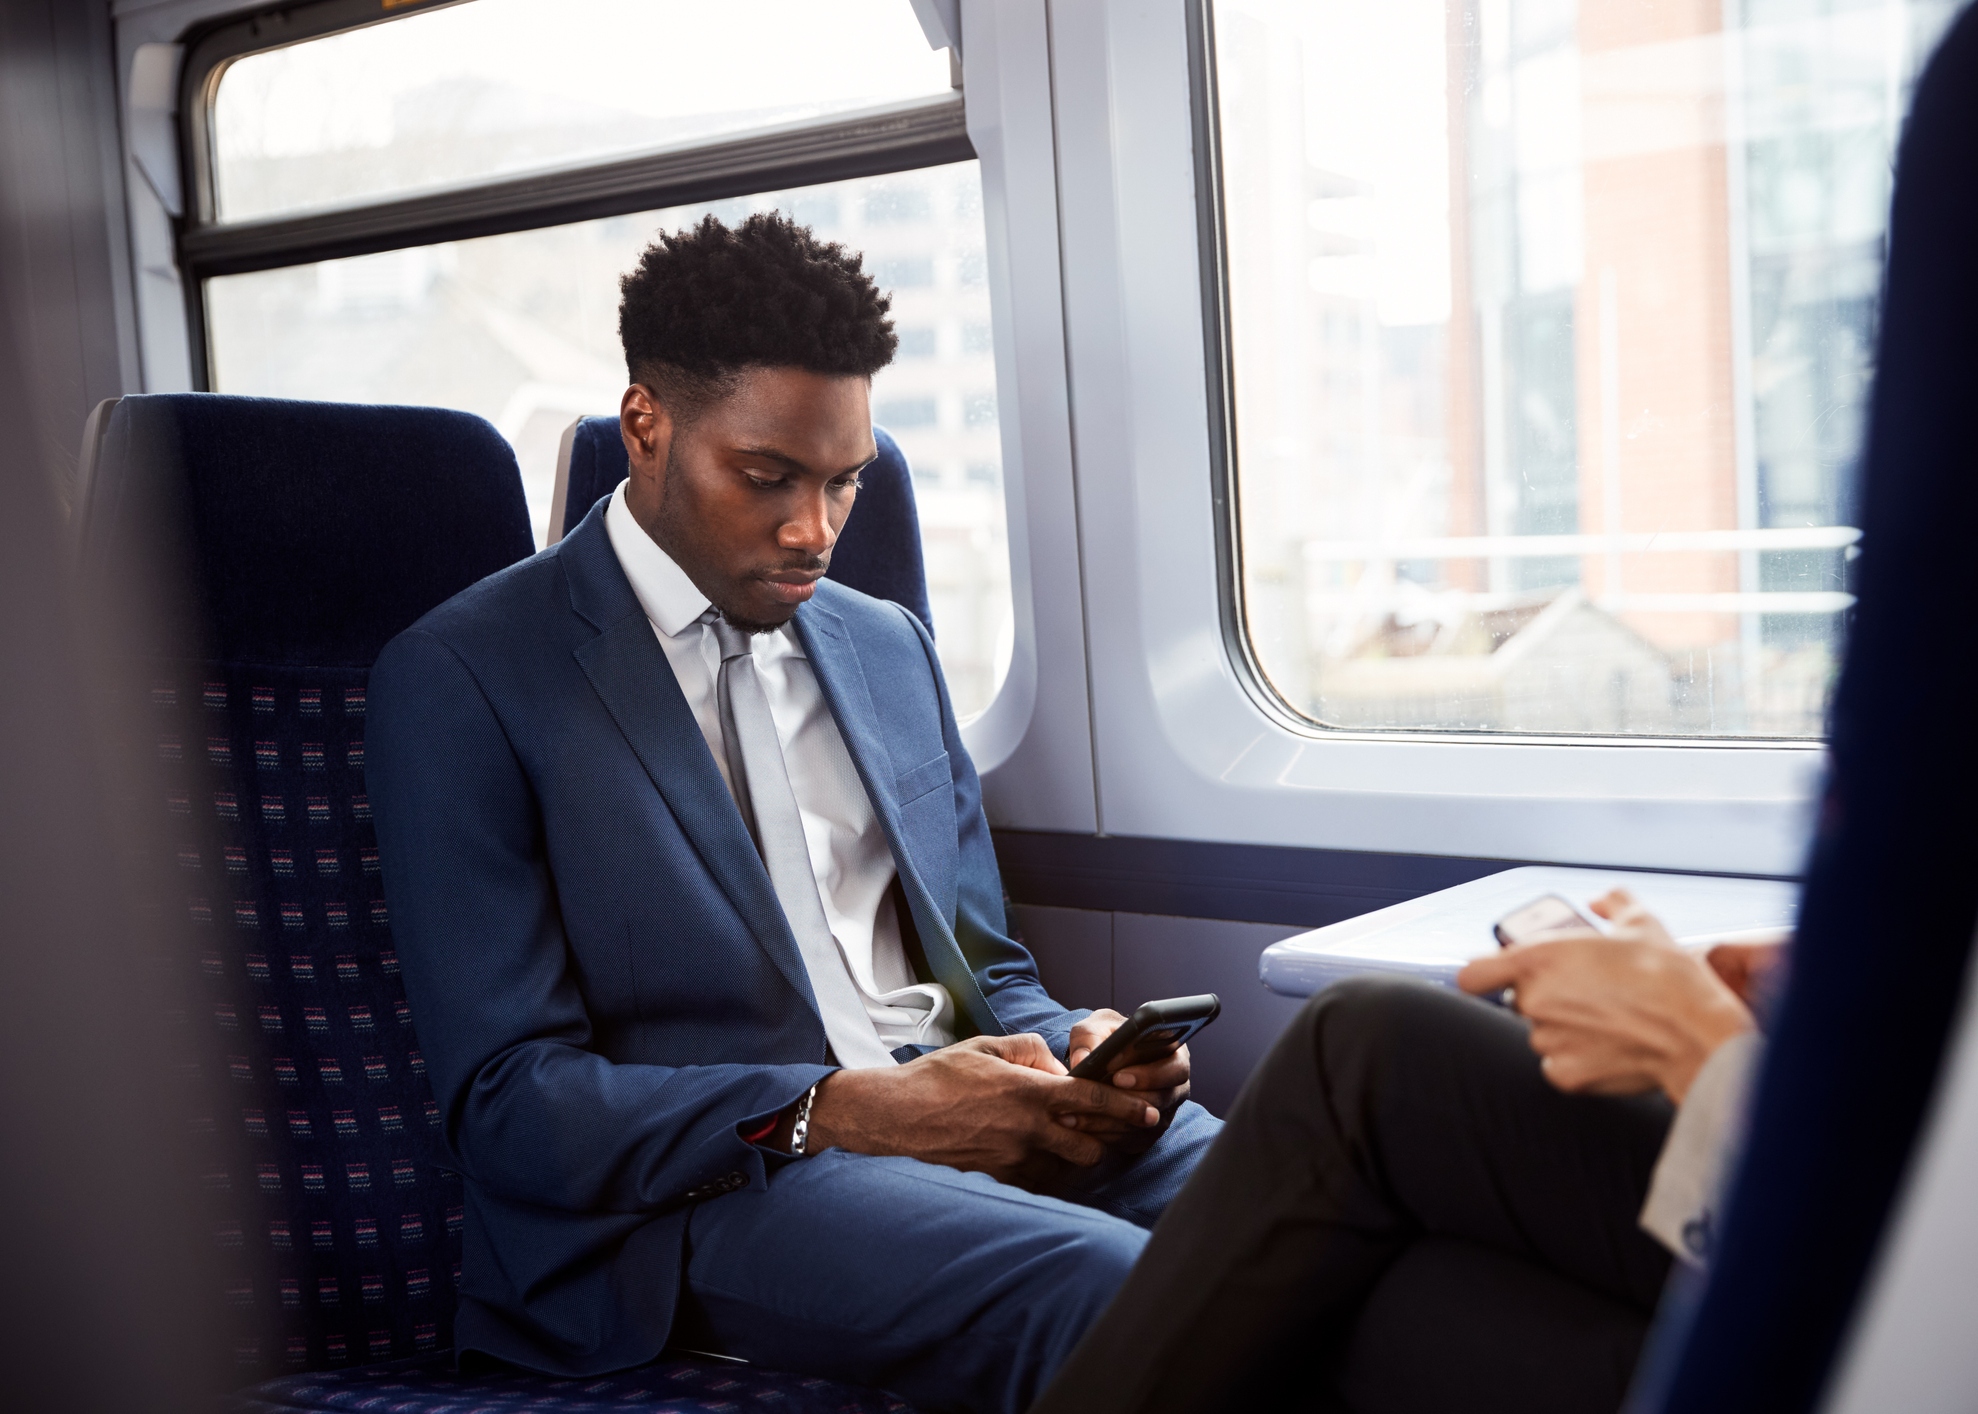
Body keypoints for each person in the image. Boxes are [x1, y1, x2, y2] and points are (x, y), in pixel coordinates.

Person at [365, 212, 1220, 1414]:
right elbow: (511, 1107)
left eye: (845, 481)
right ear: (645, 427)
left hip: (952, 1107)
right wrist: (849, 1110)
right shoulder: (466, 675)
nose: (813, 530)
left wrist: (1078, 1049)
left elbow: (990, 973)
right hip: (701, 1199)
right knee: (1117, 1287)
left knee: (1303, 1205)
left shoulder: (885, 646)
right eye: (767, 478)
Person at [1030, 890, 1784, 1414]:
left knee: (1363, 1046)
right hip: (1803, 1174)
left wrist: (1699, 1046)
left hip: (1832, 1257)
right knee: (1372, 1291)